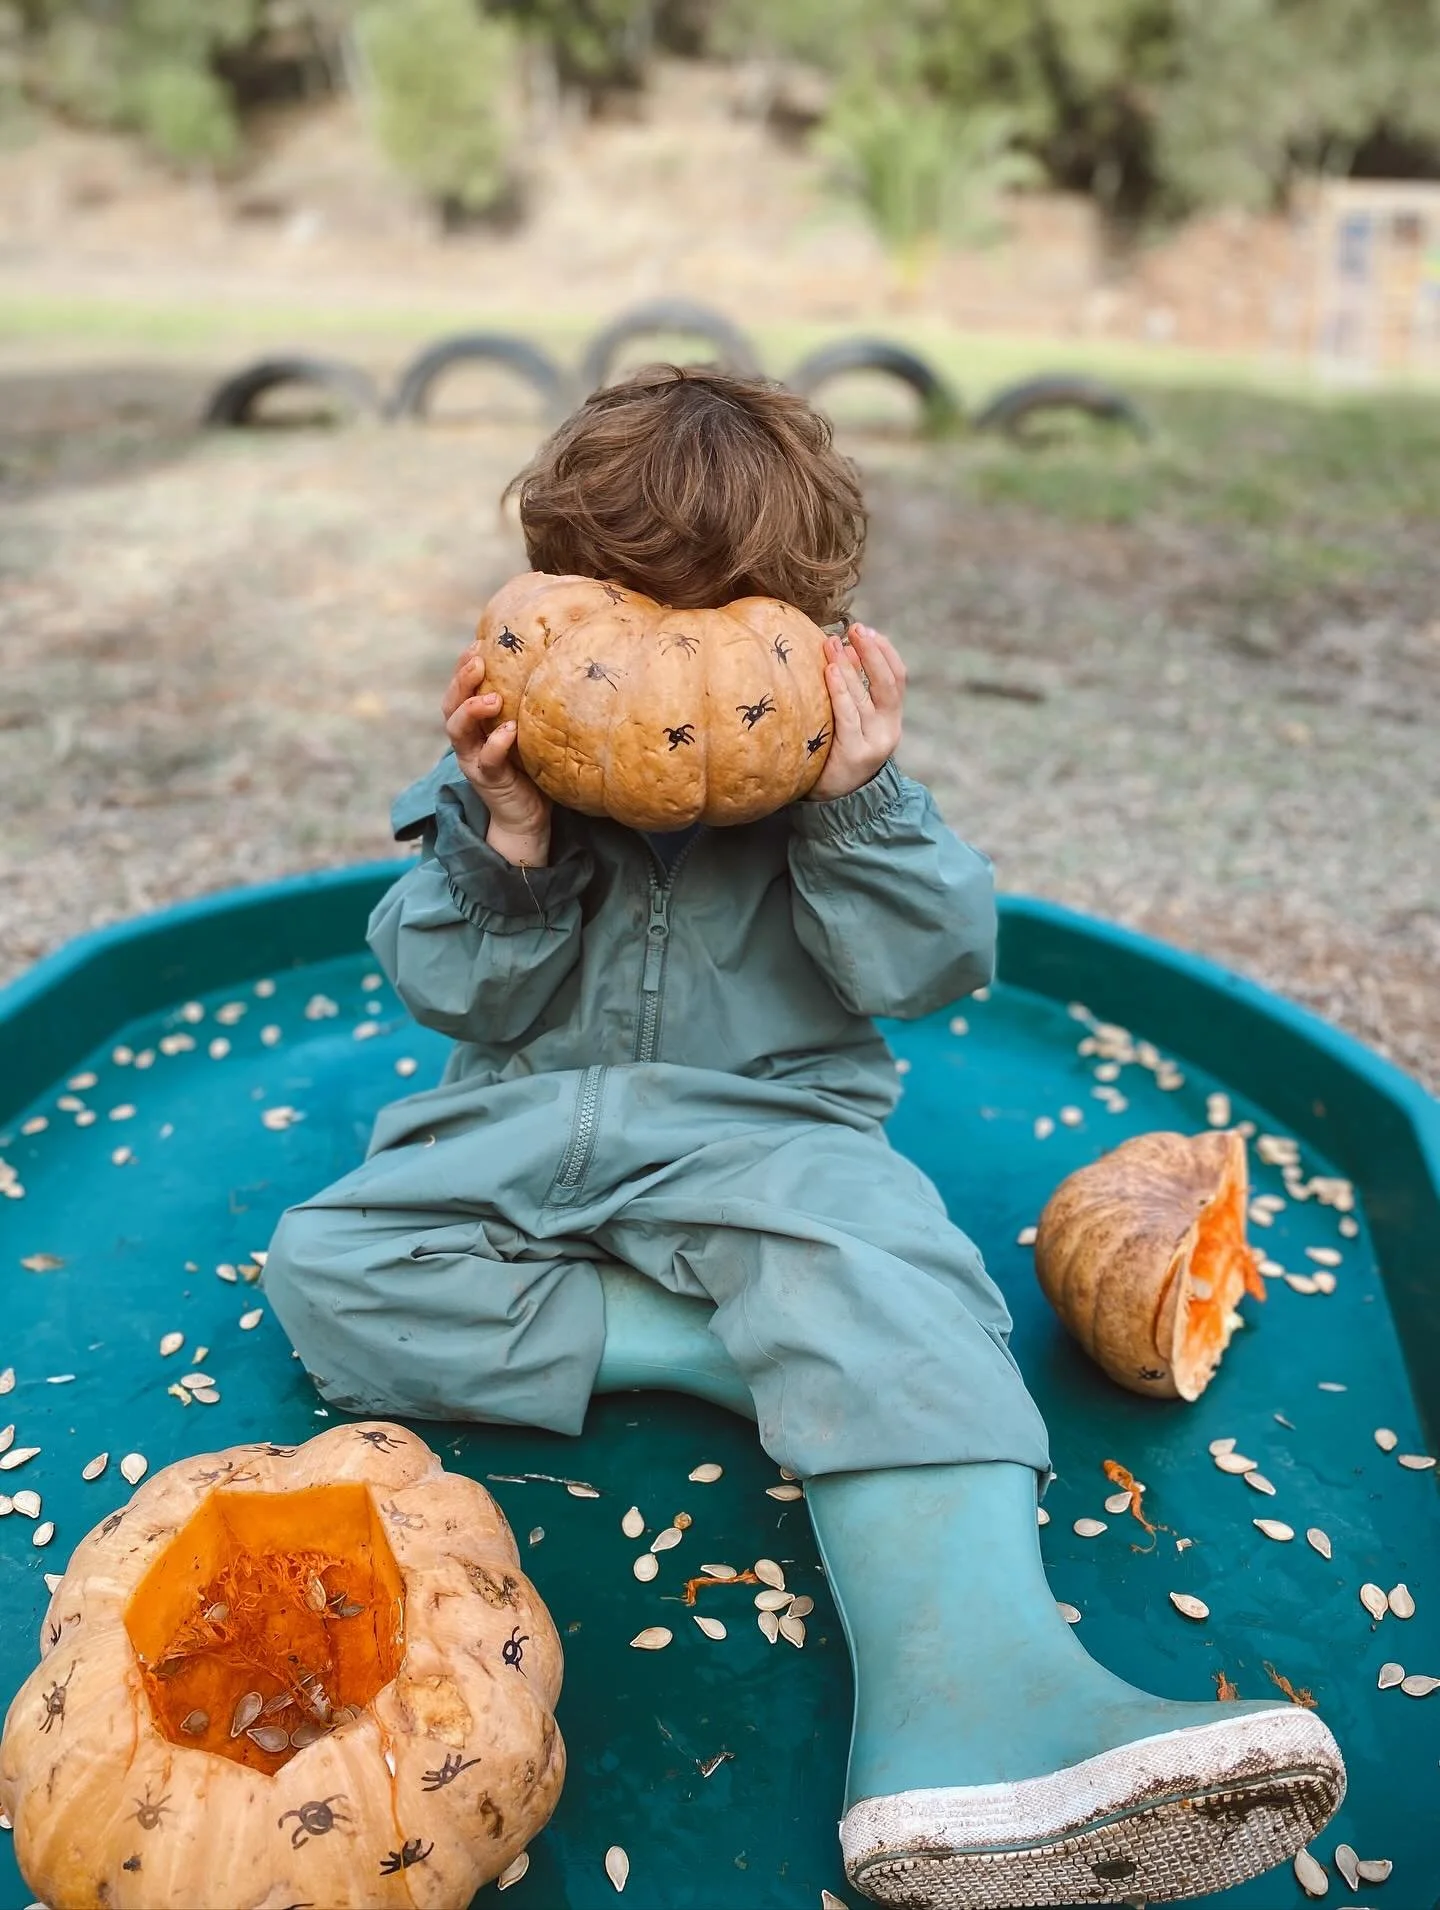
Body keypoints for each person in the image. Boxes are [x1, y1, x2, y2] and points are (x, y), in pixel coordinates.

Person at [264, 365, 1343, 1907]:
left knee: (899, 1270)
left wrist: (855, 808)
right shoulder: (501, 778)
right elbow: (446, 985)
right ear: (553, 601)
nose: (663, 670)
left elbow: (930, 965)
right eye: (621, 613)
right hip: (520, 1129)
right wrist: (507, 845)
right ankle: (723, 1346)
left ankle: (983, 1704)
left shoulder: (839, 788)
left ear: (812, 636)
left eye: (718, 627)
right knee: (325, 1270)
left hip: (771, 1135)